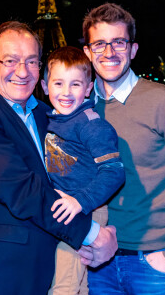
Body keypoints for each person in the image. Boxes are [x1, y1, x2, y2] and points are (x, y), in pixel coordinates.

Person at [0, 21, 118, 295]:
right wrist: (93, 235)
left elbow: (75, 176)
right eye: (10, 60)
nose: (22, 72)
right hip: (1, 273)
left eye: (32, 61)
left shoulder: (45, 114)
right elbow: (21, 189)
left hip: (51, 264)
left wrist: (87, 242)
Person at [78, 3, 165, 294]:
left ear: (133, 49)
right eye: (100, 44)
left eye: (118, 42)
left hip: (153, 265)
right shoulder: (79, 107)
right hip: (95, 264)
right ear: (87, 53)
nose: (109, 52)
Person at [40, 46, 126, 294]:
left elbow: (113, 171)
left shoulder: (92, 125)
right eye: (58, 84)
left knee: (64, 284)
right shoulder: (53, 120)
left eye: (75, 85)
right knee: (78, 282)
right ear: (45, 87)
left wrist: (80, 202)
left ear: (88, 89)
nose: (66, 93)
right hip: (65, 207)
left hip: (88, 209)